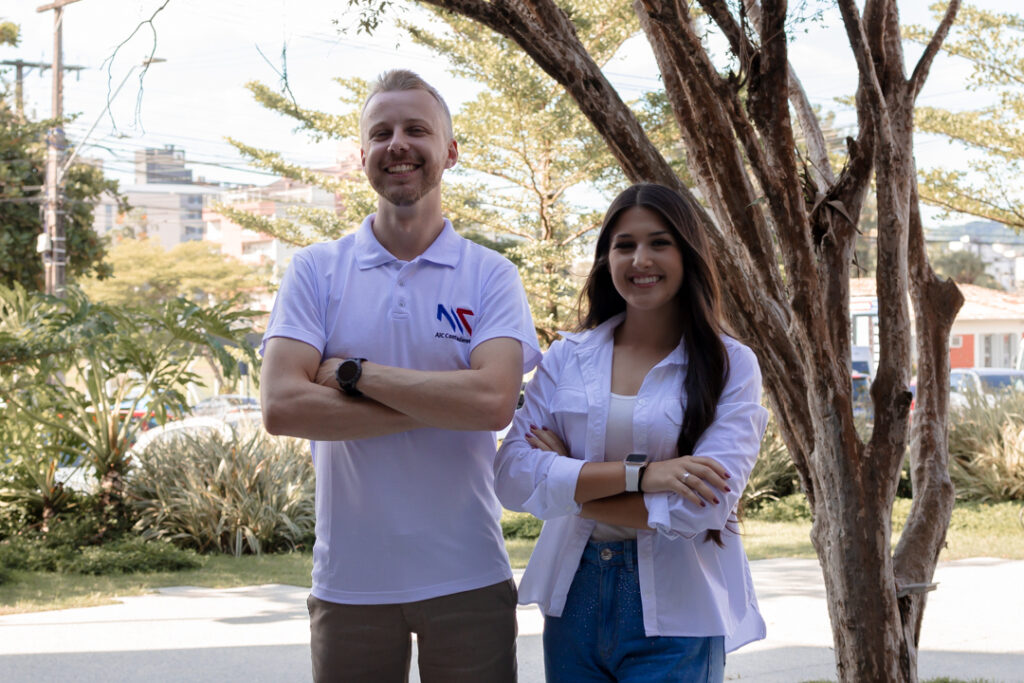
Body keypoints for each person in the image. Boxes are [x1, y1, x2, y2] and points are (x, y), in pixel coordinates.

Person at [260, 69, 541, 683]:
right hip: (350, 584)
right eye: (381, 132)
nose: (398, 145)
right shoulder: (315, 271)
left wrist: (355, 375)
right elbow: (282, 406)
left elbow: (494, 402)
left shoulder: (490, 275)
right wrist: (446, 401)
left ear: (450, 151)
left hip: (468, 575)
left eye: (417, 129)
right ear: (362, 155)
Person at [494, 182, 768, 682]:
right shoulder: (567, 357)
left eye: (659, 243)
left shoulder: (731, 364)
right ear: (607, 259)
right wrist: (644, 476)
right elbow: (513, 476)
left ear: (688, 254)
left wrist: (566, 484)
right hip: (573, 600)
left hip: (678, 613)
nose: (640, 259)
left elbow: (702, 506)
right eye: (625, 245)